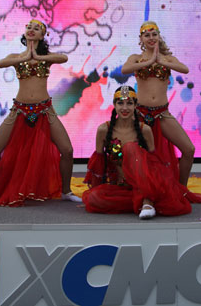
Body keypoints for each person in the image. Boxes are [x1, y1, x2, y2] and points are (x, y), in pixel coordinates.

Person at [0, 19, 81, 206]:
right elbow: (1, 63)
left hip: (44, 110)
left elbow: (63, 58)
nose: (31, 30)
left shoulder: (46, 58)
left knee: (67, 150)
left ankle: (66, 191)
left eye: (36, 28)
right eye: (29, 27)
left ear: (42, 35)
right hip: (19, 110)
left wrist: (38, 57)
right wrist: (25, 57)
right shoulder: (16, 57)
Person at [83, 86, 193, 219]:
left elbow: (154, 164)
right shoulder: (103, 129)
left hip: (145, 185)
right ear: (114, 105)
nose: (125, 108)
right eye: (120, 103)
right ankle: (145, 201)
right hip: (121, 187)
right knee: (94, 198)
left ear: (135, 106)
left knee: (130, 147)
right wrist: (95, 189)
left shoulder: (144, 130)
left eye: (129, 103)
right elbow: (99, 164)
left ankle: (147, 201)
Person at [121, 22, 199, 190]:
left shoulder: (167, 59)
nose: (151, 38)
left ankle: (181, 189)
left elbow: (184, 69)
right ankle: (138, 188)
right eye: (147, 35)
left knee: (189, 149)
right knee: (133, 153)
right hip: (140, 115)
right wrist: (149, 61)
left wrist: (161, 61)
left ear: (159, 36)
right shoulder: (136, 58)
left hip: (162, 114)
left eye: (154, 34)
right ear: (141, 39)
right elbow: (125, 69)